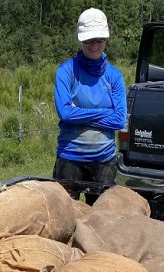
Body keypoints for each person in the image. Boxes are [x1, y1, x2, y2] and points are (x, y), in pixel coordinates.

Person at [52, 8, 127, 204]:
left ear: (106, 40)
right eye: (88, 40)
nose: (94, 45)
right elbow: (65, 113)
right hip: (69, 157)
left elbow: (120, 120)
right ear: (80, 40)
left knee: (102, 222)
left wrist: (79, 111)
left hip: (104, 161)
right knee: (64, 220)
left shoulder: (114, 76)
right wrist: (104, 113)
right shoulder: (66, 71)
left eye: (99, 40)